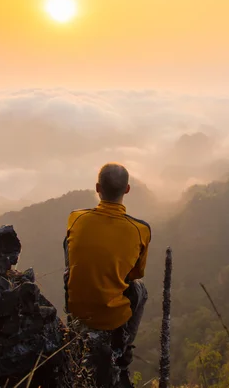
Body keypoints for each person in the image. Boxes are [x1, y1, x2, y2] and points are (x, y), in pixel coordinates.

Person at [63, 162, 151, 388]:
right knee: (140, 288)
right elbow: (134, 274)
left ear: (97, 188)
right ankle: (123, 347)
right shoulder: (140, 230)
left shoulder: (76, 218)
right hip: (111, 318)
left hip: (77, 311)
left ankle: (76, 330)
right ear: (128, 189)